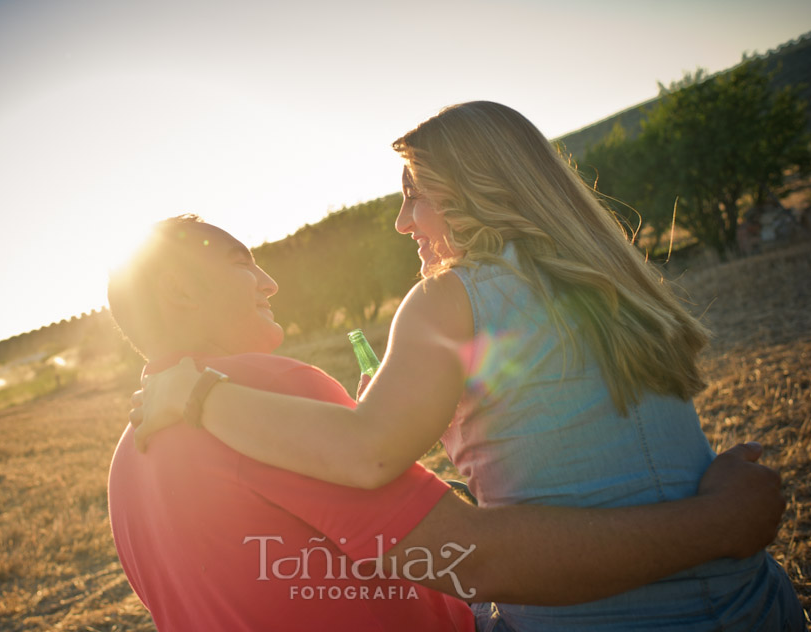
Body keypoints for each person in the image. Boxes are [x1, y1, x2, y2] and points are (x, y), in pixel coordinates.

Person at [135, 103, 806, 631]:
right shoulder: (606, 284)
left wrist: (196, 394)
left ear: (475, 193)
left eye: (415, 195)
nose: (401, 222)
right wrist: (412, 406)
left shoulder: (449, 295)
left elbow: (366, 457)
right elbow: (551, 415)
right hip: (752, 600)